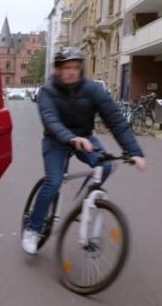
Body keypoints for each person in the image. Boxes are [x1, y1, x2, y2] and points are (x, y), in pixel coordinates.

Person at [22, 46, 147, 255]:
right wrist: (71, 138)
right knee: (53, 182)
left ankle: (87, 201)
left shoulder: (93, 90)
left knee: (106, 166)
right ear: (57, 70)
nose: (72, 72)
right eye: (66, 67)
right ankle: (33, 229)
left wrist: (134, 152)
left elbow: (116, 121)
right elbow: (51, 120)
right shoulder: (47, 91)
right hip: (56, 140)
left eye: (76, 67)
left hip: (85, 137)